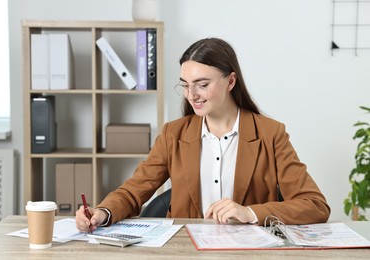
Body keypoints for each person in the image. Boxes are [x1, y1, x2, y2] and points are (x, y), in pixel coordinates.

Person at [75, 37, 330, 232]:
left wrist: (250, 212)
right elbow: (134, 191)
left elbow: (315, 204)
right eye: (186, 85)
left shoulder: (270, 133)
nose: (192, 95)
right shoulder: (173, 134)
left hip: (249, 251)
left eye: (202, 85)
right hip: (185, 249)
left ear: (231, 82)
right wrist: (103, 212)